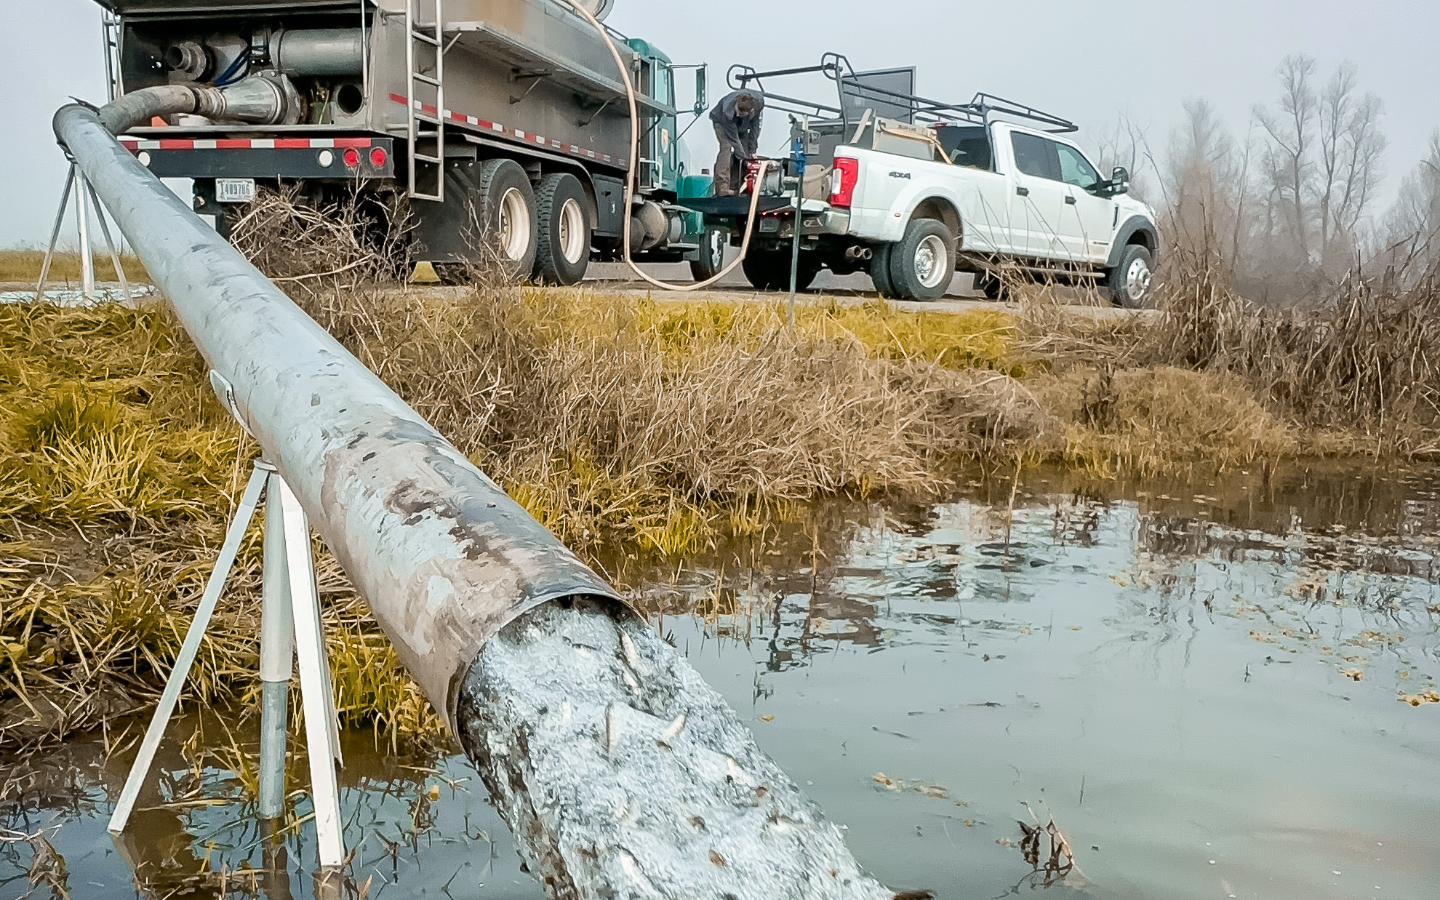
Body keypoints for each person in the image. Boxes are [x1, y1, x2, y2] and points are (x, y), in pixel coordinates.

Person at [709, 89, 764, 197]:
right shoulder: (727, 110)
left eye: (741, 113)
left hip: (743, 125)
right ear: (736, 103)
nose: (738, 114)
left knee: (746, 152)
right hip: (722, 122)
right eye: (737, 111)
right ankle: (723, 188)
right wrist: (745, 160)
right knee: (726, 147)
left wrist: (752, 151)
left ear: (751, 111)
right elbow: (734, 139)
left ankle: (739, 187)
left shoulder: (759, 103)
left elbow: (754, 128)